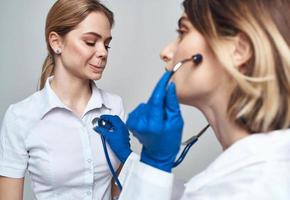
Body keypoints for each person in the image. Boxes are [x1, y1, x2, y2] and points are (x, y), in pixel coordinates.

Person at [95, 0, 290, 199]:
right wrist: (145, 162)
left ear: (239, 50)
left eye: (183, 32)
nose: (166, 52)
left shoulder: (255, 188)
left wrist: (153, 162)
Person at [0, 0, 125, 199]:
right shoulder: (21, 117)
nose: (102, 52)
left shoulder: (114, 107)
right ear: (56, 42)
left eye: (107, 44)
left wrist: (131, 160)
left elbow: (120, 191)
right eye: (91, 42)